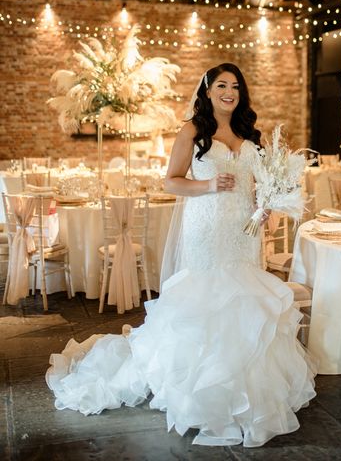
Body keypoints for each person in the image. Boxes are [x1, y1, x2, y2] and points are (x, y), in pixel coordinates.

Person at [46, 63, 316, 448]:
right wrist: (206, 184)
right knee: (209, 298)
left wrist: (266, 204)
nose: (229, 92)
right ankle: (201, 391)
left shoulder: (248, 134)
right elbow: (171, 180)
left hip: (243, 232)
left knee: (247, 300)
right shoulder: (192, 131)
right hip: (207, 230)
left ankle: (248, 389)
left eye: (235, 86)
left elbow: (259, 185)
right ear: (207, 91)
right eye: (221, 85)